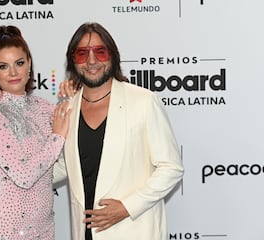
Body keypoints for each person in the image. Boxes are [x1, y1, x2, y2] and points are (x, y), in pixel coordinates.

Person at [54, 22, 184, 240]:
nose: (92, 60)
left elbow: (171, 168)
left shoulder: (143, 101)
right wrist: (15, 181)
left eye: (100, 51)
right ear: (72, 60)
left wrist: (126, 207)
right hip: (85, 233)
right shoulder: (68, 108)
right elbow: (65, 167)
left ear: (112, 56)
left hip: (134, 230)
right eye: (82, 53)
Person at [0, 25, 71, 240]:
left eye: (19, 63)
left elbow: (77, 140)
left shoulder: (44, 106)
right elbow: (25, 176)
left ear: (29, 63)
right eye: (3, 66)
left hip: (45, 227)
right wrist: (57, 137)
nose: (13, 72)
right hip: (10, 230)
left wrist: (73, 95)